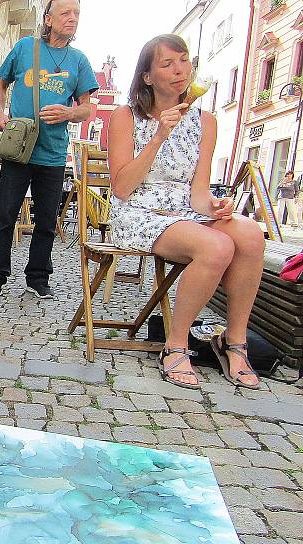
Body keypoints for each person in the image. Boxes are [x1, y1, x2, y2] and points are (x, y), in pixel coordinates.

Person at [108, 34, 265, 390]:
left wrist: (216, 205)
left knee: (250, 233)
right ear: (148, 76)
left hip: (184, 211)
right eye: (167, 64)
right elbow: (121, 187)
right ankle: (176, 345)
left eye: (184, 61)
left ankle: (234, 342)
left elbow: (198, 194)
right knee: (217, 246)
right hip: (138, 210)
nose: (180, 70)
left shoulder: (205, 121)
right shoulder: (126, 116)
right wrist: (159, 135)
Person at [0, 0, 98, 298]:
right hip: (19, 148)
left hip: (53, 153)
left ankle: (37, 277)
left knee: (46, 219)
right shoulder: (24, 48)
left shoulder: (79, 60)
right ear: (48, 19)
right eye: (66, 13)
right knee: (6, 214)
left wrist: (68, 113)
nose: (72, 19)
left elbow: (87, 108)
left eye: (77, 14)